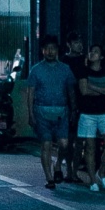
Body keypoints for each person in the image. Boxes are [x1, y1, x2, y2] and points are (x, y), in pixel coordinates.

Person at [26, 38, 79, 190]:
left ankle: (58, 164)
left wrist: (73, 109)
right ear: (42, 50)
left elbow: (71, 91)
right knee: (46, 144)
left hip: (61, 111)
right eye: (47, 48)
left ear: (57, 50)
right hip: (41, 111)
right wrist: (31, 113)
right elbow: (30, 93)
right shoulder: (36, 70)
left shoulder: (65, 69)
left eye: (53, 48)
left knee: (64, 144)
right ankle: (49, 177)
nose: (50, 51)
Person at [76, 44, 105, 190]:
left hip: (104, 112)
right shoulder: (84, 71)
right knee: (90, 147)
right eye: (91, 51)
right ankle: (93, 180)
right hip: (88, 113)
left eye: (96, 52)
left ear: (101, 56)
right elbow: (83, 91)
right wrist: (102, 90)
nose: (92, 53)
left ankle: (101, 172)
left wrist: (92, 87)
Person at [58, 32, 86, 183]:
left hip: (84, 102)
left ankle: (74, 171)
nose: (79, 45)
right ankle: (68, 170)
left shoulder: (85, 60)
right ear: (69, 44)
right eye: (75, 42)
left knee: (80, 140)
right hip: (67, 103)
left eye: (80, 42)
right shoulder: (64, 61)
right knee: (68, 139)